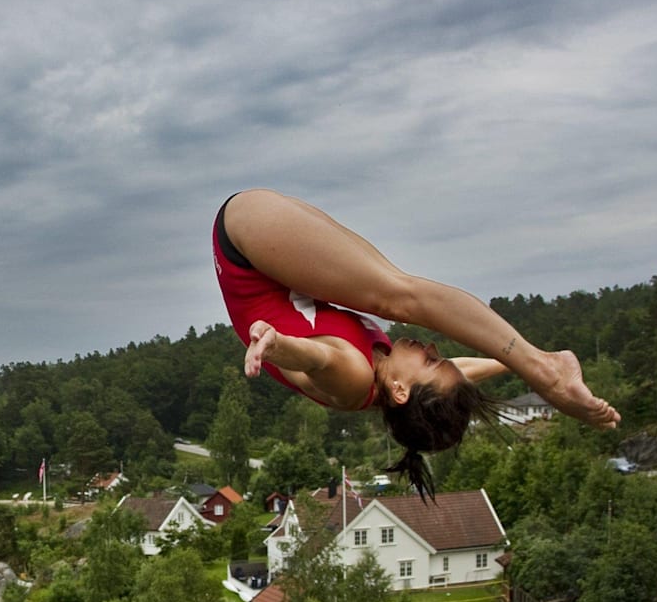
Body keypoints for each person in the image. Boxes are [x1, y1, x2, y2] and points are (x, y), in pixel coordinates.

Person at [213, 189, 619, 499]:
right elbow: (467, 368)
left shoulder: (355, 380)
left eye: (430, 362)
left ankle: (548, 371)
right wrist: (508, 362)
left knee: (401, 296)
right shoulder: (387, 380)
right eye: (438, 358)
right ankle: (541, 367)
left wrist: (278, 344)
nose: (430, 348)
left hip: (248, 245)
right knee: (392, 282)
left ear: (402, 390)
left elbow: (319, 358)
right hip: (260, 244)